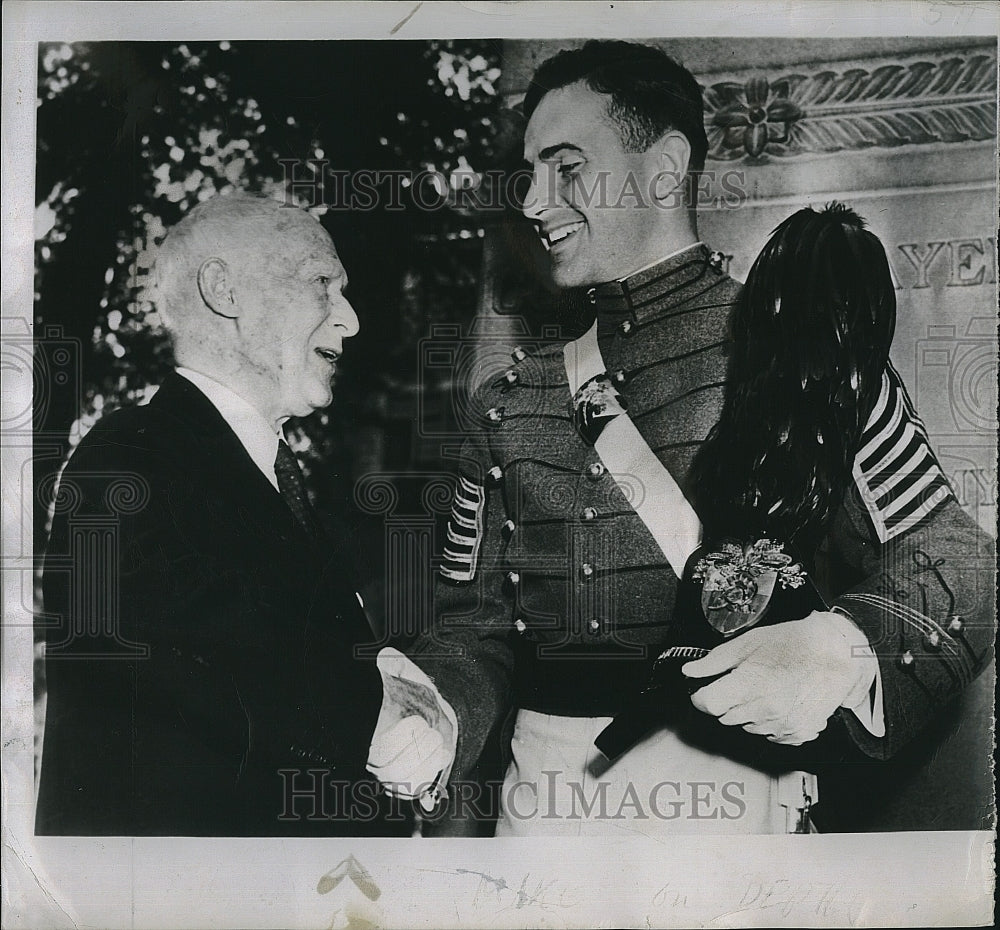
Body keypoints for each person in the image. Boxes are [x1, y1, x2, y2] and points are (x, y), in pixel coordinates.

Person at [410, 41, 994, 836]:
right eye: (530, 172)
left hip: (731, 809)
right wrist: (435, 712)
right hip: (540, 814)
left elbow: (955, 554)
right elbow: (470, 625)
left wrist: (845, 649)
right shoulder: (508, 402)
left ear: (664, 165)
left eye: (567, 166)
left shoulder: (800, 351)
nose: (537, 201)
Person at [36, 193, 454, 836]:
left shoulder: (261, 471)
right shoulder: (128, 456)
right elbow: (194, 653)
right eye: (323, 283)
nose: (351, 320)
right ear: (224, 289)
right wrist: (377, 701)